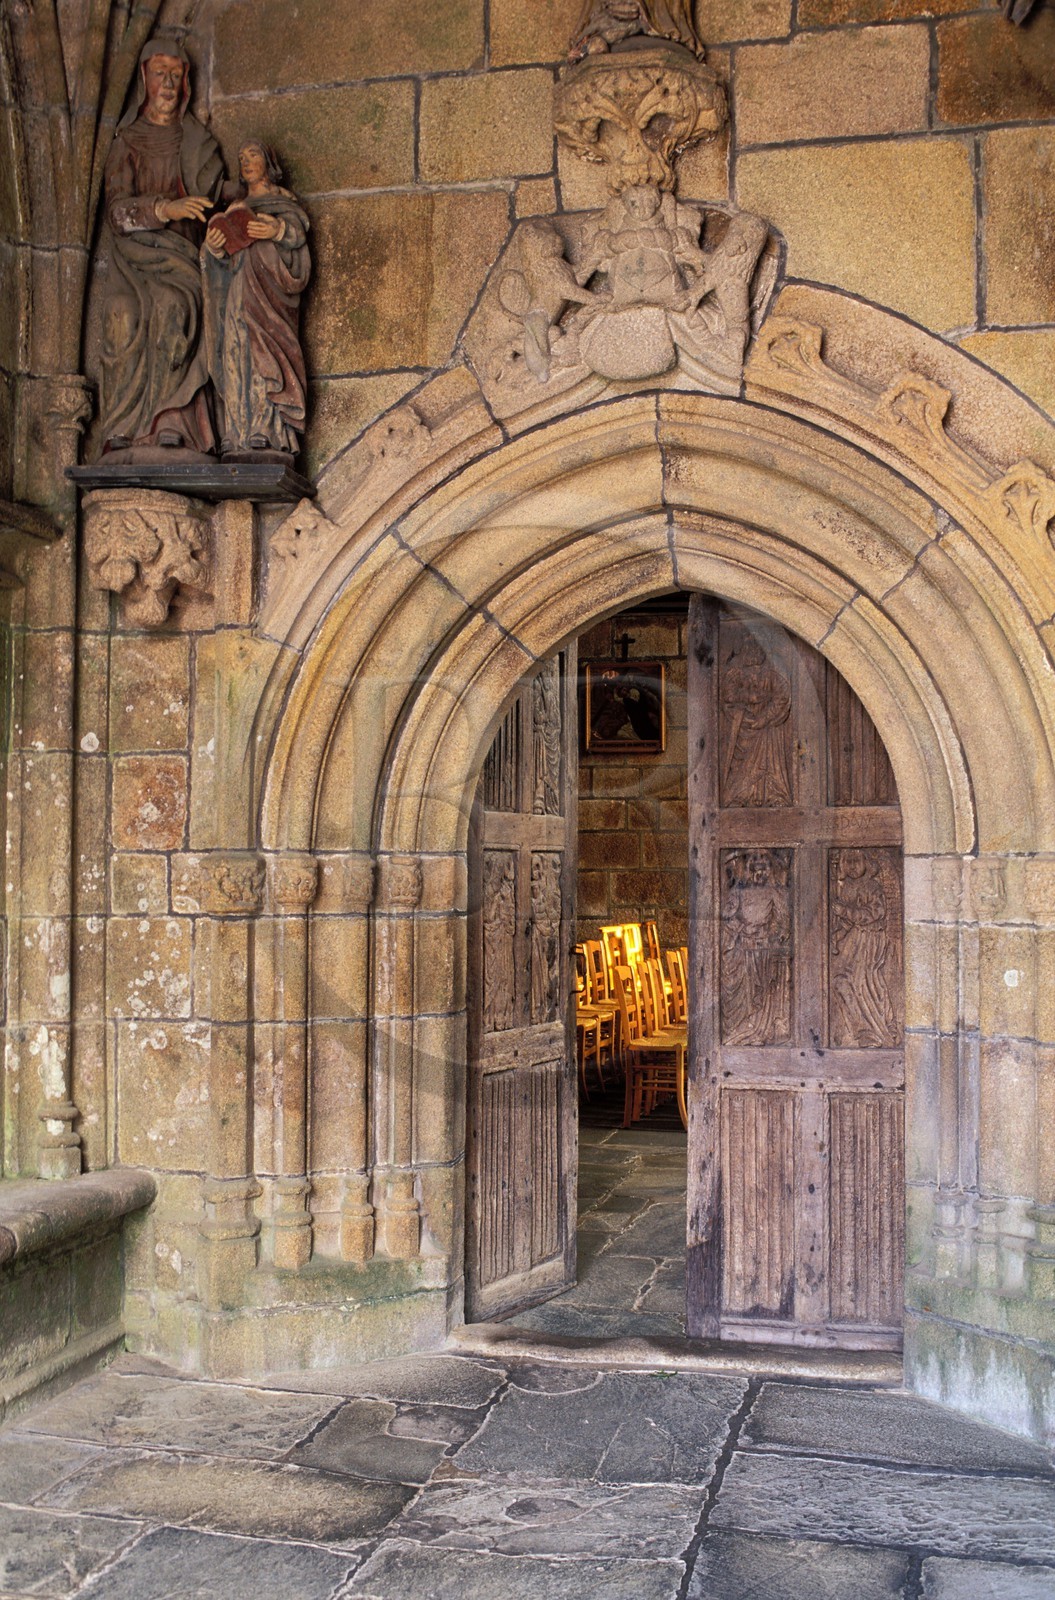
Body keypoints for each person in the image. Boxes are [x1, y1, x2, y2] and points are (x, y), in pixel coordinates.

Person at [99, 38, 222, 457]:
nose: (167, 84)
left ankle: (173, 421)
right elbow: (117, 213)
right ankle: (121, 427)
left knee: (173, 306)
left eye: (176, 75)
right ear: (144, 80)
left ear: (186, 83)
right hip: (135, 262)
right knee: (122, 314)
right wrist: (164, 207)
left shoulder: (197, 142)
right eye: (159, 74)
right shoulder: (127, 141)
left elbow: (216, 200)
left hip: (182, 261)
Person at [202, 140, 311, 461]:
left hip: (270, 298)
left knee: (266, 358)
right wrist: (214, 247)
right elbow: (217, 266)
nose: (246, 162)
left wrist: (277, 231)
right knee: (237, 353)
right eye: (241, 158)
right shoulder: (237, 206)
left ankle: (270, 431)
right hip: (238, 293)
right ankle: (239, 431)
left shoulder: (284, 206)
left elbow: (298, 251)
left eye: (253, 156)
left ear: (269, 163)